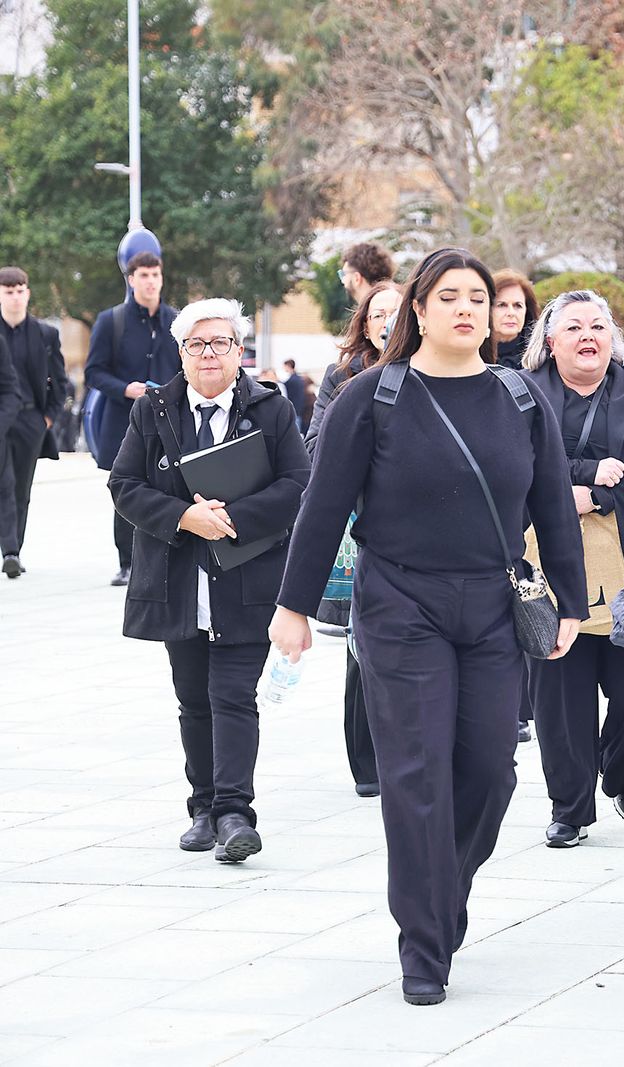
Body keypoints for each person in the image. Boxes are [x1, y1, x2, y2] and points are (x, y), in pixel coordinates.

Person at [270, 247, 586, 1006]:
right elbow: (321, 509)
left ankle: (441, 890)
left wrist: (572, 602)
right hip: (399, 605)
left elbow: (550, 503)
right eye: (448, 296)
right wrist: (293, 606)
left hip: (491, 606)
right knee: (415, 773)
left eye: (477, 296)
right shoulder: (370, 398)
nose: (466, 308)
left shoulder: (518, 398)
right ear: (416, 310)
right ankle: (423, 943)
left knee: (491, 770)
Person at [108, 298, 310, 863]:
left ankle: (235, 813)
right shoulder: (154, 410)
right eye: (196, 345)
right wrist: (183, 517)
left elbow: (298, 481)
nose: (208, 355)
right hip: (177, 580)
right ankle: (202, 809)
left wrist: (232, 521)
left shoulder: (272, 409)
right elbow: (124, 484)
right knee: (193, 699)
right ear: (181, 353)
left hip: (247, 579)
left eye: (219, 343)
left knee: (233, 696)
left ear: (238, 350)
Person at [524, 290, 624, 846]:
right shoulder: (518, 395)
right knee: (559, 703)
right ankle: (570, 808)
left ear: (613, 339)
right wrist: (580, 482)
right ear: (551, 341)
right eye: (574, 327)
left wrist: (600, 498)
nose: (588, 336)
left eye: (598, 326)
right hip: (547, 568)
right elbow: (512, 472)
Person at [303, 280, 403, 799]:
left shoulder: (432, 372)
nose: (386, 324)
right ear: (364, 324)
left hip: (414, 528)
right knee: (360, 647)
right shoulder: (343, 377)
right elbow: (315, 443)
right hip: (358, 529)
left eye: (396, 313)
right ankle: (365, 762)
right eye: (376, 315)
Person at [85, 251, 181, 586]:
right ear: (131, 280)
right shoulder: (111, 321)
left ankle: (166, 557)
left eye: (156, 274)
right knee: (125, 489)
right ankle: (127, 563)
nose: (151, 281)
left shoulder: (177, 321)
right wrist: (126, 389)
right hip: (122, 423)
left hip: (170, 422)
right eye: (144, 275)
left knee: (170, 489)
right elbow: (94, 372)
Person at [490, 269, 543, 744]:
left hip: (527, 499)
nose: (509, 314)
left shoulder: (535, 373)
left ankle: (521, 706)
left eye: (518, 307)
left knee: (527, 595)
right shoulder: (466, 363)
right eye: (501, 304)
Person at [0, 267, 66, 579]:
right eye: (8, 290)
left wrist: (48, 419)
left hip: (30, 420)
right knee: (4, 484)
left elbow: (60, 382)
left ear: (27, 293)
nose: (14, 296)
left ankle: (14, 551)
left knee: (20, 487)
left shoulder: (45, 334)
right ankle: (9, 549)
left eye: (19, 290)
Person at [492, 268, 539, 372]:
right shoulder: (471, 354)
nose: (511, 313)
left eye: (518, 305)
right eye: (501, 305)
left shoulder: (541, 354)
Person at [341, 241, 395, 305]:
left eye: (343, 274)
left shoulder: (373, 311)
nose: (342, 281)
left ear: (357, 278)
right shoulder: (399, 303)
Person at [280, 359, 308, 433]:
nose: (284, 368)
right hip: (299, 409)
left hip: (294, 409)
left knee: (295, 432)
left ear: (288, 366)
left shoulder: (292, 380)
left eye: (285, 366)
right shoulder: (298, 378)